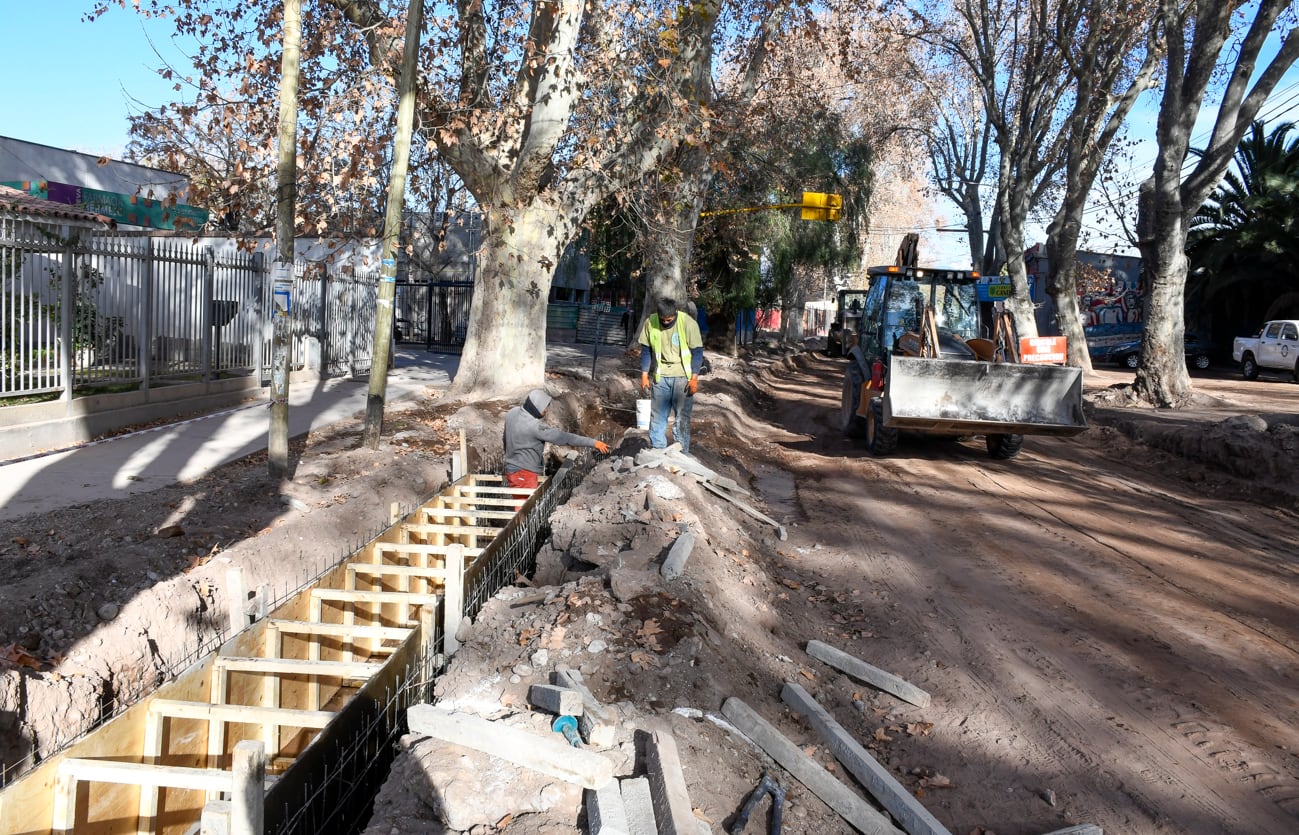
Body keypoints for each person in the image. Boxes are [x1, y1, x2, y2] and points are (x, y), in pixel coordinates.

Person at [503, 389, 609, 490]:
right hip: (525, 474)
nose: (546, 411)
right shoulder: (535, 427)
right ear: (536, 408)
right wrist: (593, 442)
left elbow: (505, 439)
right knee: (524, 506)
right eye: (545, 408)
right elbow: (564, 437)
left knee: (522, 503)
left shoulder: (512, 413)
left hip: (510, 468)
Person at [638, 297, 704, 453]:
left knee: (682, 418)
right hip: (661, 377)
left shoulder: (688, 323)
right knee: (657, 416)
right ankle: (657, 450)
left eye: (670, 319)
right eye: (663, 320)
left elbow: (697, 352)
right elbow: (646, 350)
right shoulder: (651, 322)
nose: (666, 322)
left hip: (683, 378)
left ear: (675, 313)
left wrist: (694, 378)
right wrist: (644, 375)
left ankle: (680, 452)